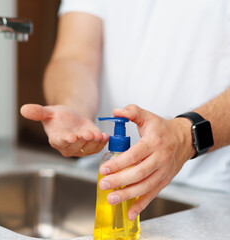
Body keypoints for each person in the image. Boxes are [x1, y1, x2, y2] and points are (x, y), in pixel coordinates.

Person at [20, 0, 230, 221]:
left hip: (214, 193)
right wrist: (74, 106)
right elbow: (74, 56)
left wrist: (185, 136)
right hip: (108, 177)